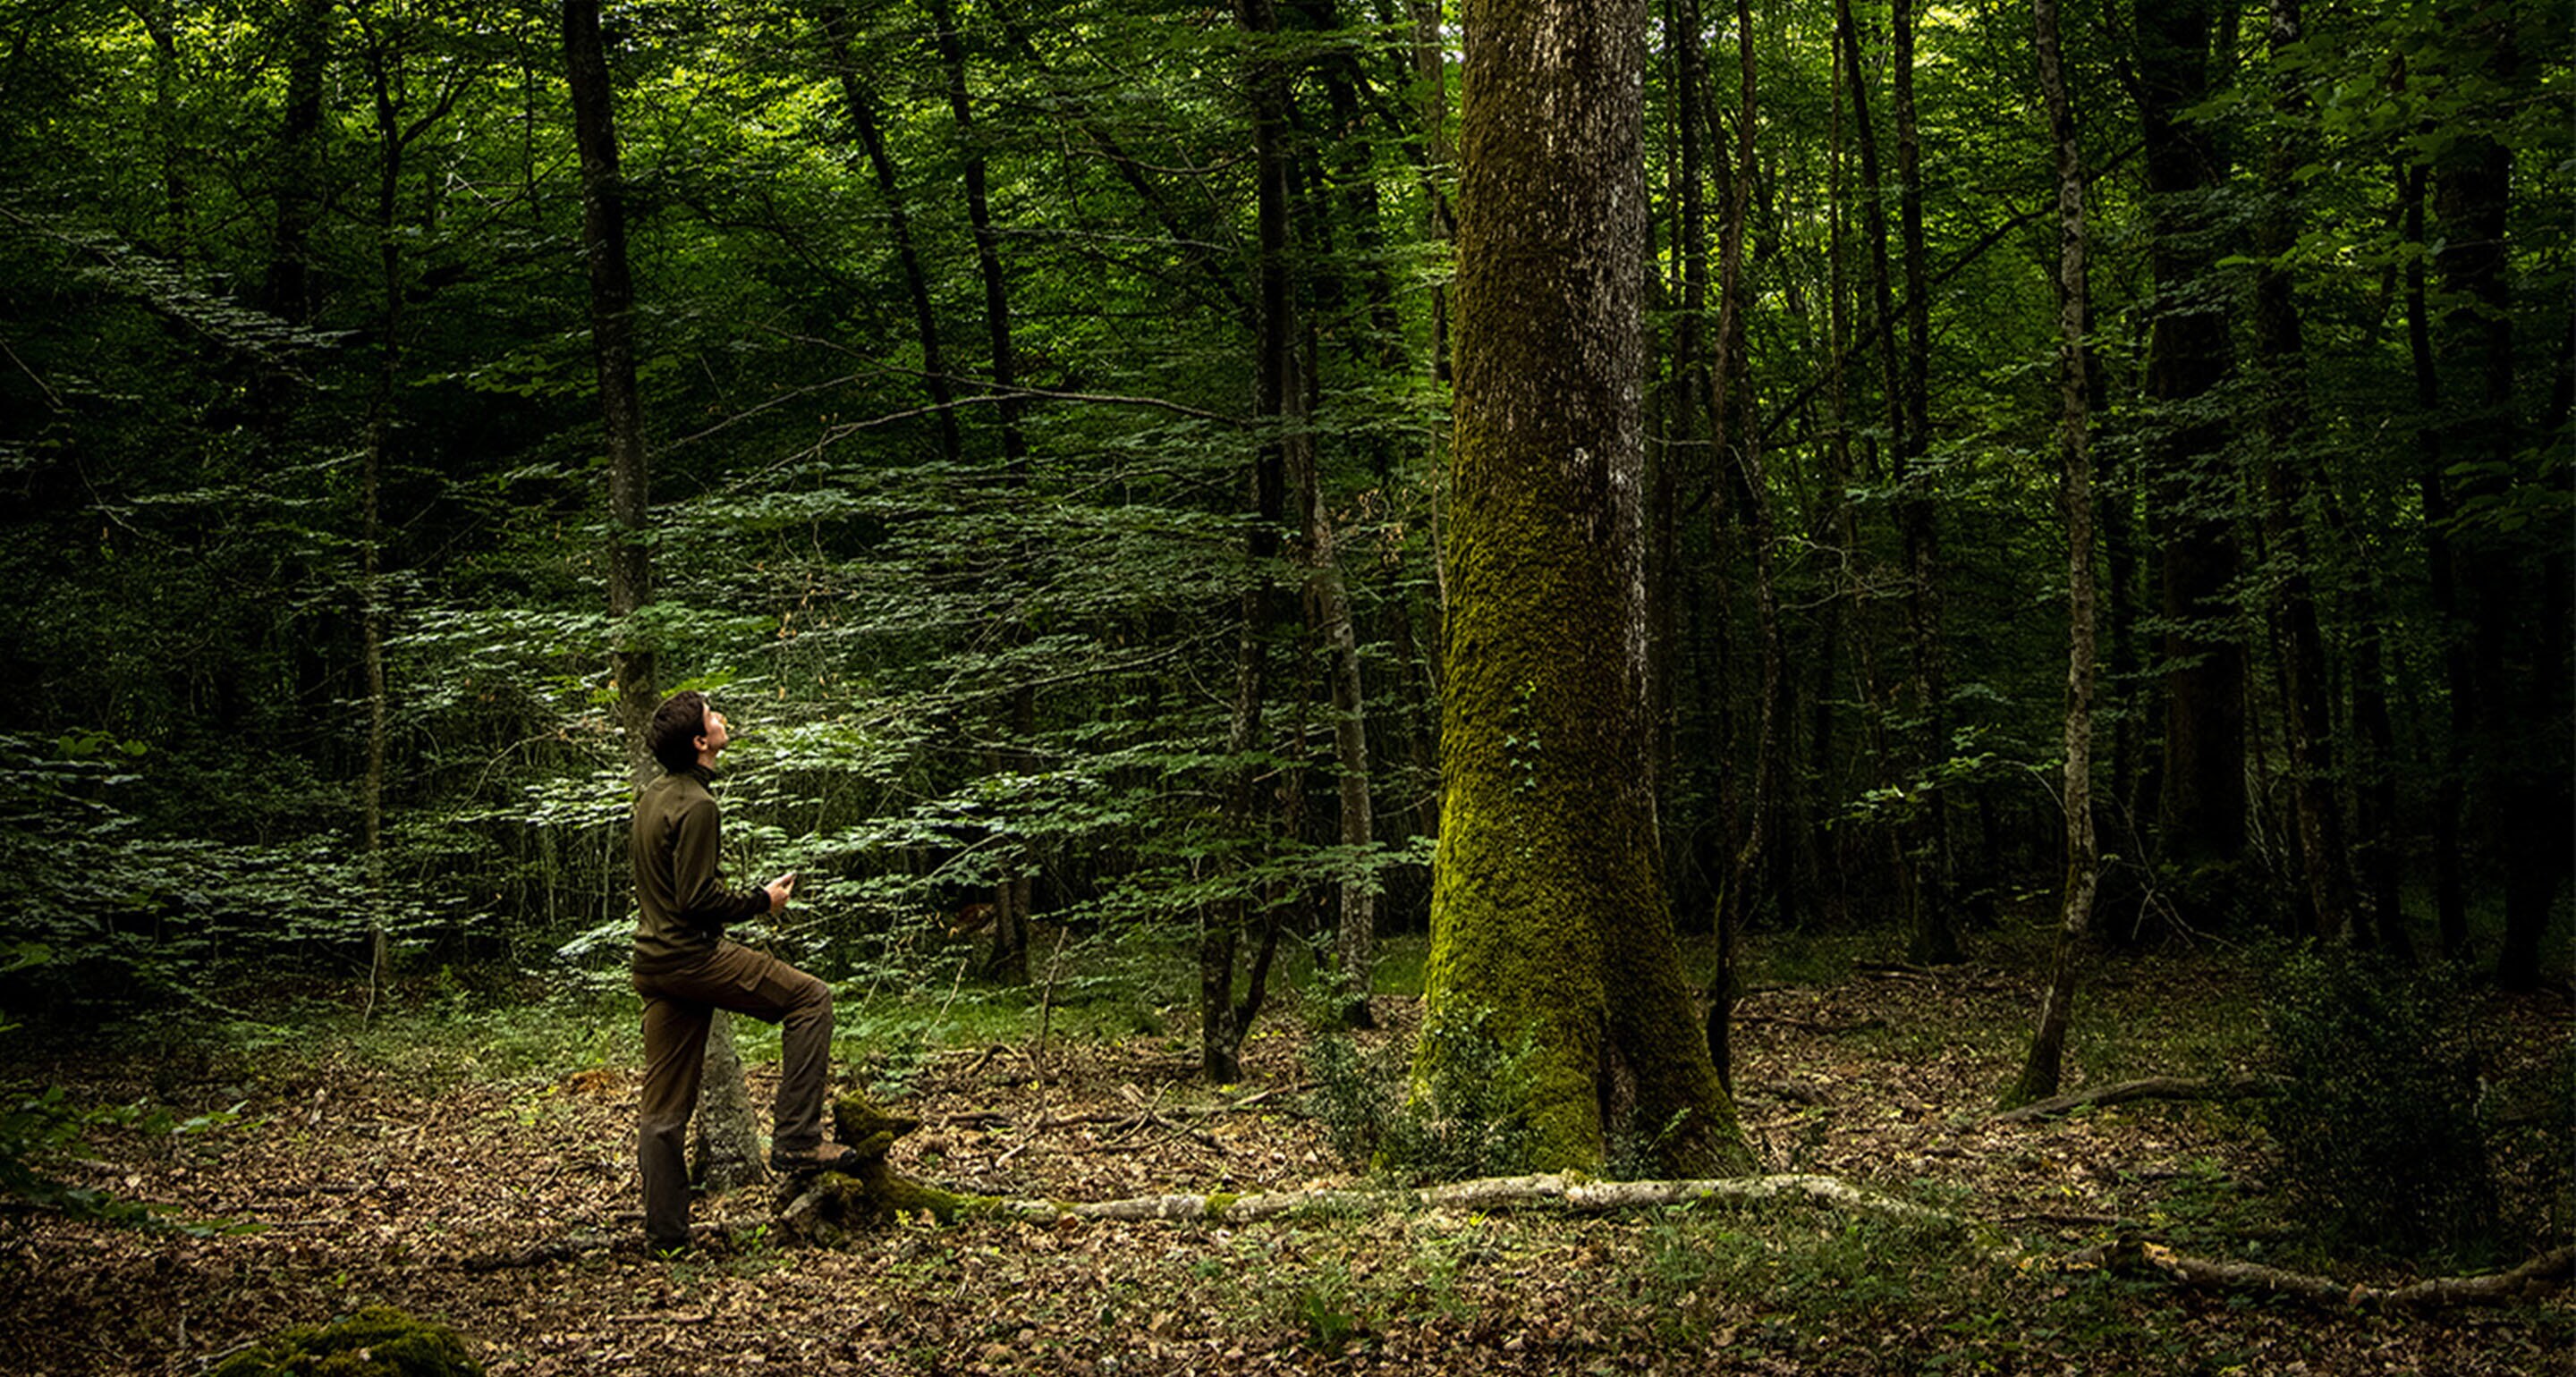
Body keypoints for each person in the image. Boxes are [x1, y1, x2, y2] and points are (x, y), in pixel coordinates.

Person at [630, 689, 857, 1253]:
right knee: (811, 999)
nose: (722, 718)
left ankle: (666, 1239)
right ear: (700, 742)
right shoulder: (698, 805)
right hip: (691, 957)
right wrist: (763, 901)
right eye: (712, 715)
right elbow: (696, 899)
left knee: (663, 1113)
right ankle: (797, 1140)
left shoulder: (653, 796)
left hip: (654, 963)